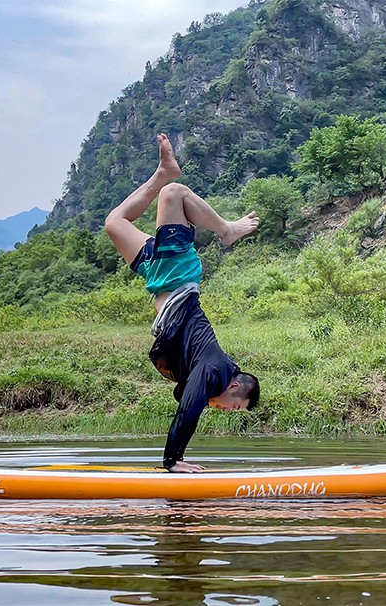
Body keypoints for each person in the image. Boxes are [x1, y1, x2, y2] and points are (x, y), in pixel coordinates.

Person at [104, 133, 261, 473]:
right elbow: (188, 406)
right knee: (174, 195)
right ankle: (226, 230)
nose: (227, 412)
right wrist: (172, 461)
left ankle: (162, 172)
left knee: (115, 224)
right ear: (234, 387)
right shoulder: (216, 369)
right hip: (176, 277)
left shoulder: (210, 374)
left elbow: (187, 397)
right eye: (234, 407)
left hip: (159, 277)